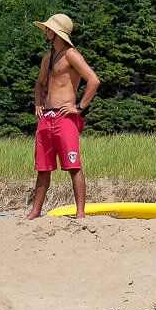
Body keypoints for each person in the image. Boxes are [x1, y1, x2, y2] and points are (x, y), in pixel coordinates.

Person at [26, 13, 100, 220]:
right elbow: (39, 83)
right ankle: (35, 211)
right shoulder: (48, 57)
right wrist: (38, 104)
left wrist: (79, 106)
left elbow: (93, 80)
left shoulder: (71, 55)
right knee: (43, 167)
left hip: (65, 117)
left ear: (57, 32)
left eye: (48, 29)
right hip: (46, 117)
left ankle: (80, 213)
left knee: (73, 166)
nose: (45, 32)